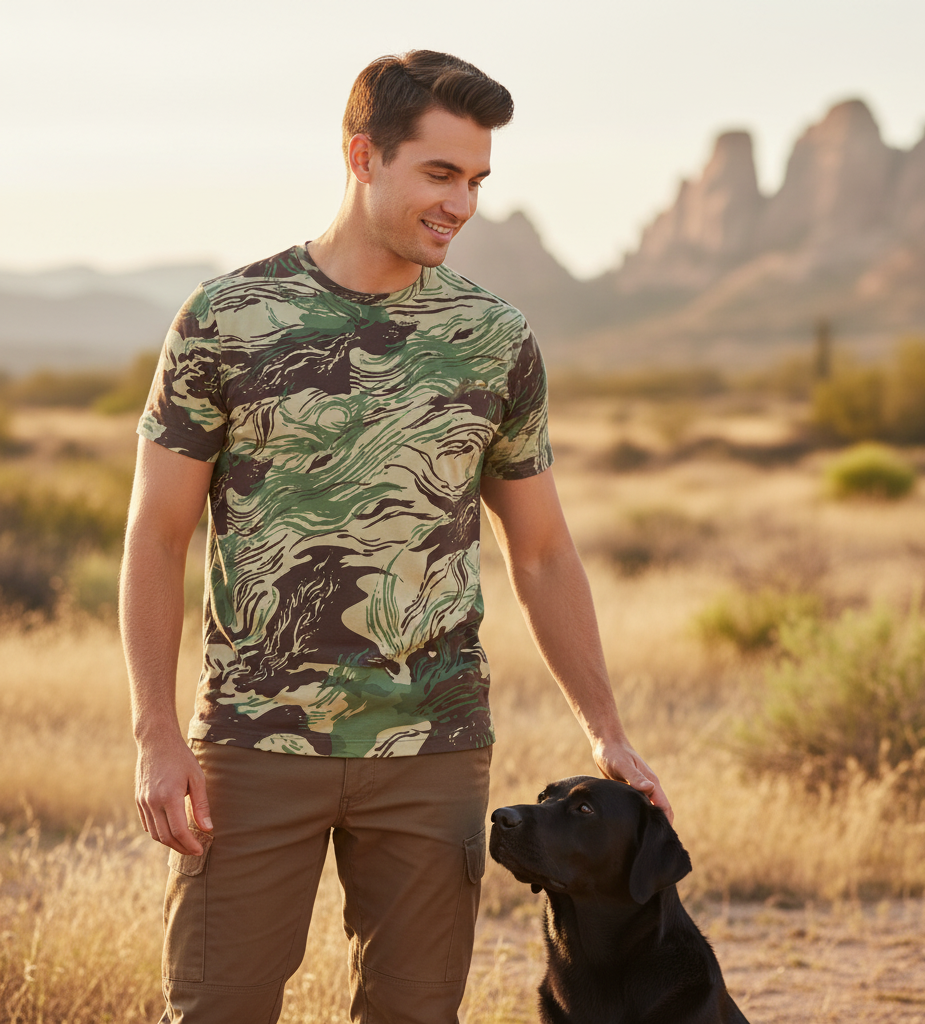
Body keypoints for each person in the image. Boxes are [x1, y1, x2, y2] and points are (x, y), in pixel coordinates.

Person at [121, 49, 671, 1024]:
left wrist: (607, 730)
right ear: (362, 155)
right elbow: (157, 538)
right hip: (254, 741)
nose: (462, 204)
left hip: (434, 745)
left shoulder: (494, 337)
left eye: (477, 180)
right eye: (440, 173)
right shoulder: (226, 320)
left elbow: (542, 551)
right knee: (215, 1008)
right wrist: (156, 734)